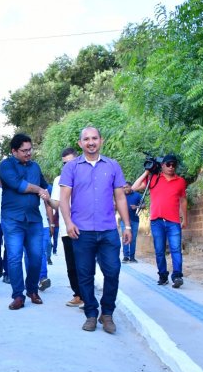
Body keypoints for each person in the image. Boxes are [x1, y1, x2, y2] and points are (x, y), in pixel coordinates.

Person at [59, 127, 132, 334]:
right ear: (80, 143)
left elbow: (120, 197)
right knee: (85, 274)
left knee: (113, 271)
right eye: (86, 139)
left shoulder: (113, 165)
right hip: (81, 231)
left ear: (101, 140)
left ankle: (107, 313)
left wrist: (126, 226)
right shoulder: (71, 167)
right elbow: (64, 199)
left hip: (108, 229)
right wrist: (68, 222)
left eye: (94, 138)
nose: (91, 142)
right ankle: (91, 313)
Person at [0, 133, 52, 310]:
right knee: (14, 258)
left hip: (34, 219)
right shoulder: (6, 166)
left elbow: (46, 186)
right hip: (13, 220)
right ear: (14, 151)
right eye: (24, 151)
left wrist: (50, 193)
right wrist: (38, 189)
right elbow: (19, 186)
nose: (28, 153)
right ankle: (18, 296)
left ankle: (32, 290)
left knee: (37, 257)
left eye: (30, 150)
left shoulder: (35, 167)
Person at [132, 154, 188, 288]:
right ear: (162, 165)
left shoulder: (180, 181)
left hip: (173, 221)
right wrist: (147, 171)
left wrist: (185, 218)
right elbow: (134, 187)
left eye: (174, 164)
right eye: (168, 164)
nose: (171, 167)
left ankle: (177, 276)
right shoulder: (154, 178)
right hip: (156, 221)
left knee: (176, 249)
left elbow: (183, 200)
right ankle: (163, 276)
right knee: (159, 250)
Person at [50, 148, 84, 308]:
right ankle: (78, 295)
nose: (67, 166)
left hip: (86, 227)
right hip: (66, 227)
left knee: (85, 263)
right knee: (72, 264)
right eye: (65, 163)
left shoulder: (86, 175)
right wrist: (47, 199)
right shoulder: (59, 179)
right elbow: (56, 202)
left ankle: (87, 295)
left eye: (70, 162)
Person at [120, 181, 142, 263]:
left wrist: (136, 207)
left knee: (133, 238)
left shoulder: (137, 195)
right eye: (124, 187)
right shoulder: (121, 196)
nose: (125, 189)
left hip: (135, 220)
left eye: (126, 187)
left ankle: (132, 257)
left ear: (130, 187)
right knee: (125, 237)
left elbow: (143, 205)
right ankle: (126, 256)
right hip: (124, 221)